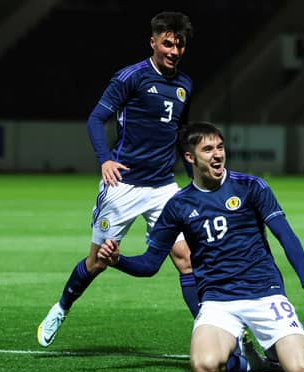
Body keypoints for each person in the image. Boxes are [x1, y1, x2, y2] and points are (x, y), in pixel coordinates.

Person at [97, 121, 304, 372]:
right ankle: (251, 362)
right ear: (190, 157)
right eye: (208, 149)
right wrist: (117, 260)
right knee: (204, 366)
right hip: (217, 301)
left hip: (264, 293)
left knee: (302, 370)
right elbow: (149, 264)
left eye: (220, 147)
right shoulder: (178, 205)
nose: (217, 154)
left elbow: (286, 235)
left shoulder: (251, 187)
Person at [37, 11, 200, 347]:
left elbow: (179, 132)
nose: (173, 50)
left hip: (163, 188)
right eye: (167, 43)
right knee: (97, 262)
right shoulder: (131, 77)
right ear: (153, 42)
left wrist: (191, 177)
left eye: (179, 45)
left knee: (186, 259)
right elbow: (96, 119)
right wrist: (105, 160)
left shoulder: (185, 85)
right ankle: (61, 307)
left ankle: (211, 330)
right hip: (123, 185)